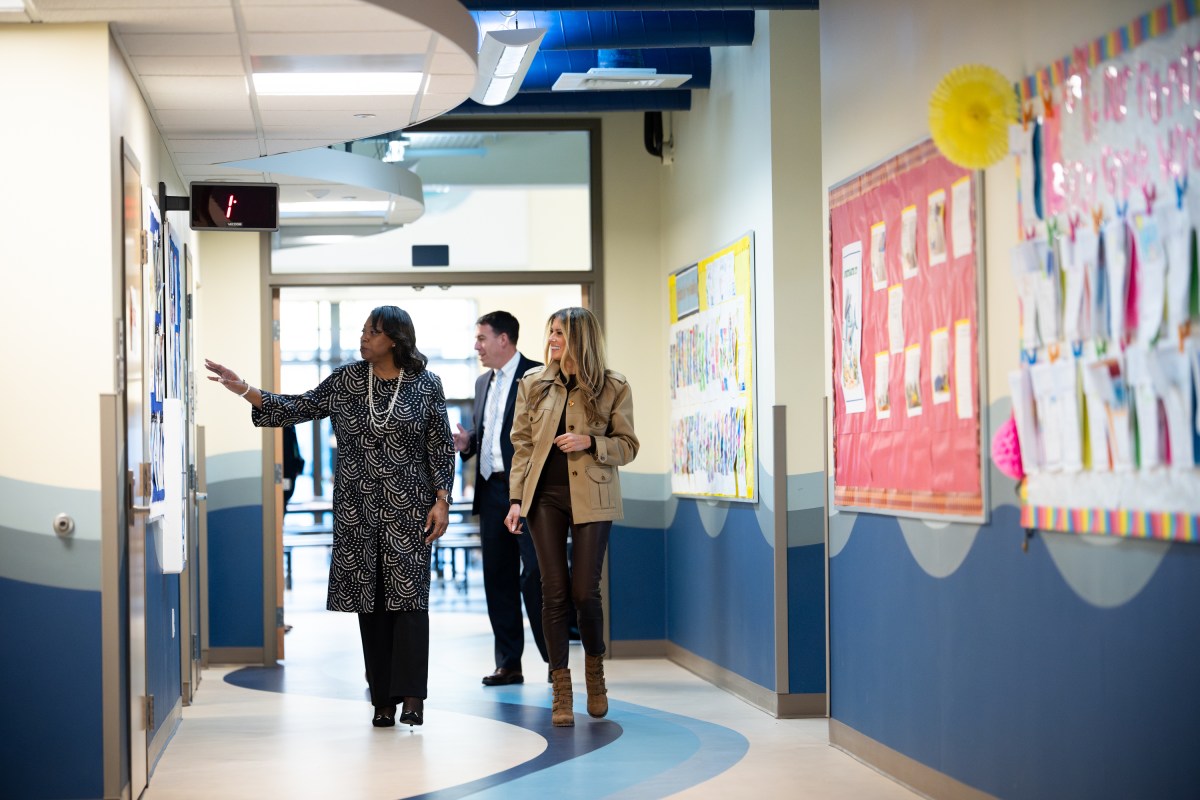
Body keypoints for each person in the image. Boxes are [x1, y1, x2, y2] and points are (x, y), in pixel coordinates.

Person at [204, 305, 454, 729]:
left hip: (409, 508)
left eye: (373, 332)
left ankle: (413, 696)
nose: (363, 338)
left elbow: (441, 445)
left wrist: (442, 499)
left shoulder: (426, 384)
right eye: (363, 331)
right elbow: (297, 407)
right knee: (370, 604)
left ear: (395, 339)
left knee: (410, 600)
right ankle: (382, 700)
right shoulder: (347, 380)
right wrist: (244, 389)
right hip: (357, 509)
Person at [505, 307, 639, 727]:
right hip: (543, 497)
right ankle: (560, 688)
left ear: (581, 338)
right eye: (551, 332)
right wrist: (515, 499)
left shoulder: (613, 386)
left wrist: (591, 442)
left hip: (593, 496)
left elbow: (628, 446)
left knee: (584, 591)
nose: (552, 340)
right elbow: (522, 445)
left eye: (560, 333)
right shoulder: (533, 383)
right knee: (553, 591)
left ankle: (594, 673)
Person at [452, 311, 548, 687]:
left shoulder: (538, 376)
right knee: (497, 578)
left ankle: (555, 661)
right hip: (491, 491)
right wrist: (468, 443)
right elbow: (490, 435)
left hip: (529, 492)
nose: (476, 346)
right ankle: (509, 664)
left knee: (537, 575)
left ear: (503, 339)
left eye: (482, 338)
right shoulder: (482, 382)